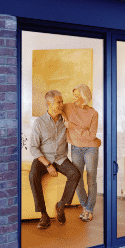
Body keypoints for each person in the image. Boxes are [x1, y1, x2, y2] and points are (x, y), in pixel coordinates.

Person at [29, 90, 80, 229]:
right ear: (48, 103)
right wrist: (47, 165)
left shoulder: (65, 119)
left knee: (75, 174)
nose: (61, 104)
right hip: (43, 158)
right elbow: (33, 147)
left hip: (61, 158)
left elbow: (77, 122)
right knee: (33, 175)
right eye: (58, 102)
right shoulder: (39, 122)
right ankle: (43, 215)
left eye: (62, 101)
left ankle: (61, 205)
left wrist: (65, 117)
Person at [62, 84, 101, 222]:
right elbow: (57, 108)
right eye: (74, 95)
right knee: (77, 178)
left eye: (77, 96)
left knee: (91, 179)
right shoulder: (69, 107)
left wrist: (73, 127)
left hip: (91, 148)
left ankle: (89, 210)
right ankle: (85, 206)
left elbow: (91, 136)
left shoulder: (93, 113)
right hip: (76, 148)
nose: (74, 98)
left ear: (84, 97)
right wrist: (64, 118)